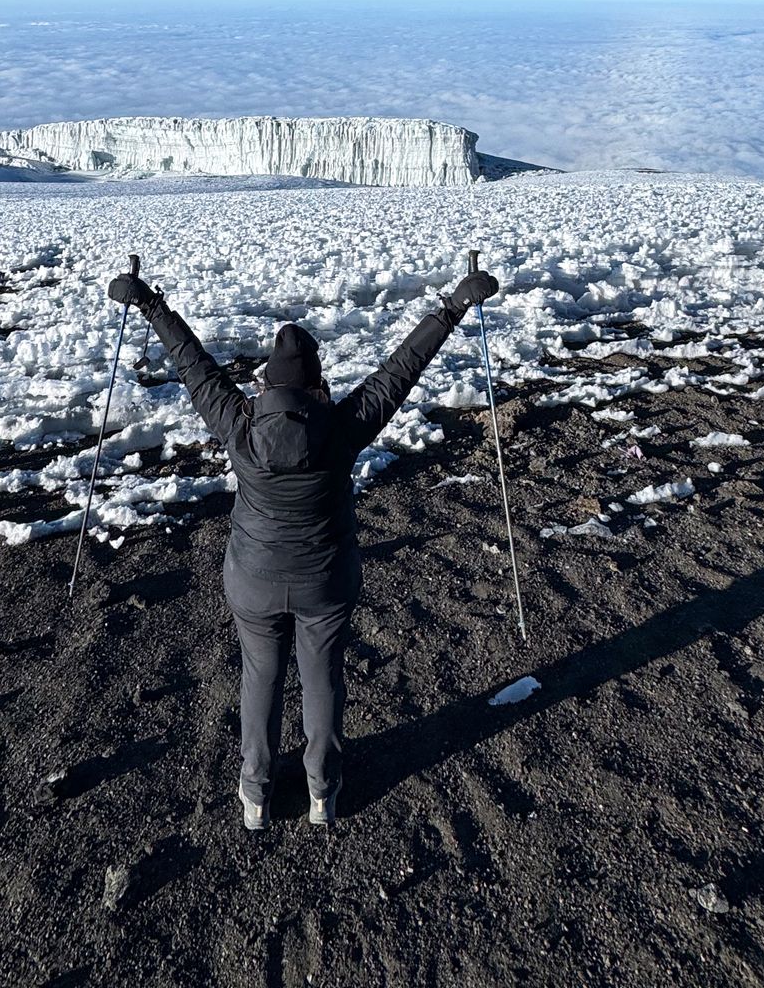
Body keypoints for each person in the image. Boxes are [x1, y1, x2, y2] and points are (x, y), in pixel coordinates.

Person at [106, 264, 499, 830]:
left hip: (254, 580)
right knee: (323, 680)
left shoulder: (239, 425)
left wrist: (148, 302)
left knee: (259, 677)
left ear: (267, 384)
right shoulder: (344, 426)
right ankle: (322, 790)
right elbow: (401, 369)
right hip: (326, 581)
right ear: (317, 382)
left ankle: (256, 795)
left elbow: (192, 362)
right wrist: (453, 307)